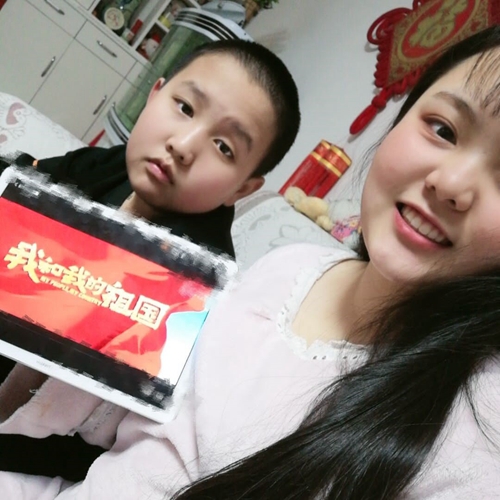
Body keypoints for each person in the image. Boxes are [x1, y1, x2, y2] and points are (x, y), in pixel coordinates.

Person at [3, 24, 500, 500]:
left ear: (244, 188)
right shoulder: (288, 269)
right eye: (443, 128)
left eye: (224, 147)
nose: (450, 184)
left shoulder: (476, 441)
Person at [0, 38, 301, 482]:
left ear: (242, 188)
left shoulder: (196, 285)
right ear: (155, 94)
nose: (183, 145)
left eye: (224, 147)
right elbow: (27, 180)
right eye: (185, 107)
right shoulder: (112, 165)